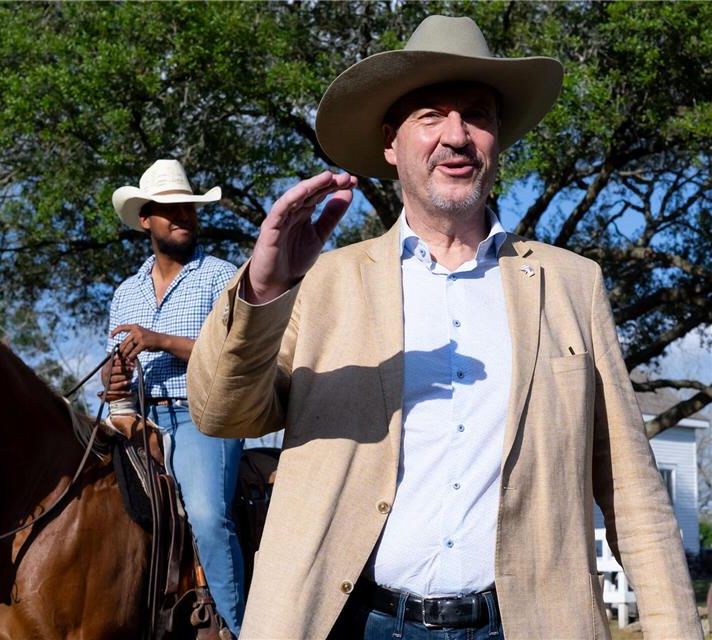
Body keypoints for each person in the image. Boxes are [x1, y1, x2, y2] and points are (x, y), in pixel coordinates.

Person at [187, 15, 701, 640]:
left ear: (497, 140)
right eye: (431, 115)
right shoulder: (322, 283)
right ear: (389, 142)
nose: (456, 136)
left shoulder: (572, 284)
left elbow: (631, 488)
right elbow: (219, 412)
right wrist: (264, 290)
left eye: (477, 115)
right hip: (353, 623)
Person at [103, 158, 244, 635]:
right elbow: (113, 368)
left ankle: (238, 628)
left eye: (189, 209)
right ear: (146, 219)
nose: (183, 217)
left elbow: (234, 354)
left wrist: (159, 340)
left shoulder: (222, 277)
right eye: (170, 210)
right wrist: (114, 377)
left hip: (201, 416)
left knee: (207, 517)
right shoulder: (125, 292)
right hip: (134, 420)